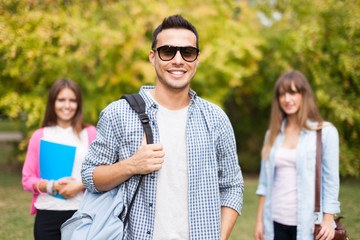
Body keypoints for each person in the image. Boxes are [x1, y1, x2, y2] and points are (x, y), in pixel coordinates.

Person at [81, 14, 243, 240]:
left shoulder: (216, 118)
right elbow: (90, 176)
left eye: (187, 52)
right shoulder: (117, 113)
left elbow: (232, 187)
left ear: (196, 59)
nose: (178, 60)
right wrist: (131, 165)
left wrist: (220, 237)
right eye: (168, 51)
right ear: (152, 56)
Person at [254, 70, 340, 240]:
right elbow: (264, 184)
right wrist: (259, 221)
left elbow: (331, 181)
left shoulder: (325, 132)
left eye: (293, 92)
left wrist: (328, 219)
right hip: (274, 221)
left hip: (308, 224)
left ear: (304, 95)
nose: (287, 99)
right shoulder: (272, 135)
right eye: (282, 94)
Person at [22, 78, 96, 240]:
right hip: (47, 212)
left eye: (72, 100)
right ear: (53, 102)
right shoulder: (40, 135)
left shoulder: (90, 133)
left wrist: (79, 185)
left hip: (81, 212)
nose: (67, 105)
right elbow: (27, 179)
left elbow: (101, 172)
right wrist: (52, 185)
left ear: (78, 104)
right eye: (61, 100)